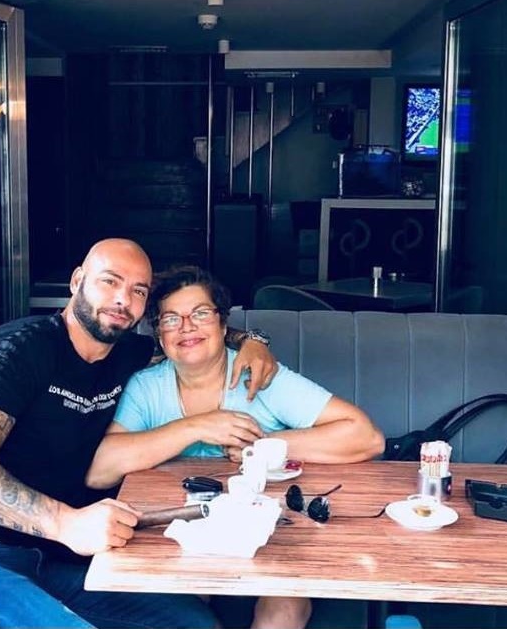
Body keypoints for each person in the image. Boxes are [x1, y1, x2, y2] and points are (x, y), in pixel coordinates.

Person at [0, 239, 277, 628]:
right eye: (110, 281)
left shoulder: (128, 354)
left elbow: (189, 335)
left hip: (44, 560)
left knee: (194, 623)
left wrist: (253, 341)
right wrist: (64, 523)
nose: (123, 299)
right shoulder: (18, 348)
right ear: (76, 281)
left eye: (138, 291)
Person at [86, 265, 385, 629]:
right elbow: (99, 470)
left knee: (284, 605)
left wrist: (264, 446)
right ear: (160, 337)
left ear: (223, 325)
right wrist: (197, 426)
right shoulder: (147, 387)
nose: (187, 327)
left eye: (200, 314)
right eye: (171, 319)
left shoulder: (257, 375)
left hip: (274, 532)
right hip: (181, 534)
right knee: (178, 602)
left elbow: (366, 436)